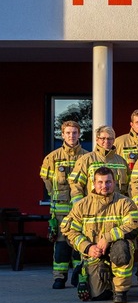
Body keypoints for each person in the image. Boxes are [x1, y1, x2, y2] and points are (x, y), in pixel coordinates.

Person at [62, 167, 138, 303]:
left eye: (108, 182)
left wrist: (108, 238)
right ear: (93, 183)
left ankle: (120, 290)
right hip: (94, 254)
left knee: (122, 247)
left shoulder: (125, 203)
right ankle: (87, 273)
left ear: (114, 183)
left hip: (116, 252)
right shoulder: (81, 206)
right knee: (98, 296)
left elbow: (133, 226)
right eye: (100, 182)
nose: (104, 186)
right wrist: (88, 248)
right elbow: (69, 231)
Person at [40, 120, 88, 289]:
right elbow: (46, 180)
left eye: (74, 133)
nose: (71, 136)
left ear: (79, 134)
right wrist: (56, 197)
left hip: (80, 210)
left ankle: (77, 275)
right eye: (68, 133)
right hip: (60, 211)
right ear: (62, 135)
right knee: (60, 246)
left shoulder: (86, 156)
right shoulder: (52, 157)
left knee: (78, 244)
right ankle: (59, 277)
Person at [70, 126, 130, 201]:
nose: (106, 141)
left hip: (117, 208)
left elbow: (130, 187)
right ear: (97, 139)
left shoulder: (122, 161)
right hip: (93, 207)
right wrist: (79, 206)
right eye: (103, 138)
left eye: (109, 138)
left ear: (114, 140)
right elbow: (76, 186)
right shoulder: (86, 160)